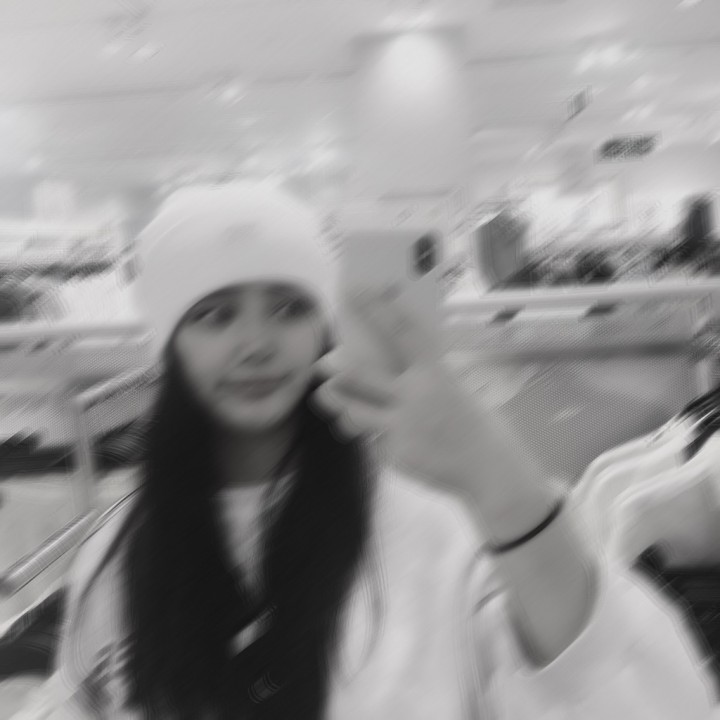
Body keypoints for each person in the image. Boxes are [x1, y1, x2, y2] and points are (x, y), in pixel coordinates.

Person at [16, 182, 716, 719]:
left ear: (325, 326)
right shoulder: (125, 551)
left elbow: (619, 691)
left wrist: (497, 478)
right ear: (168, 345)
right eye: (214, 315)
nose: (256, 344)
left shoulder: (430, 530)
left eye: (289, 308)